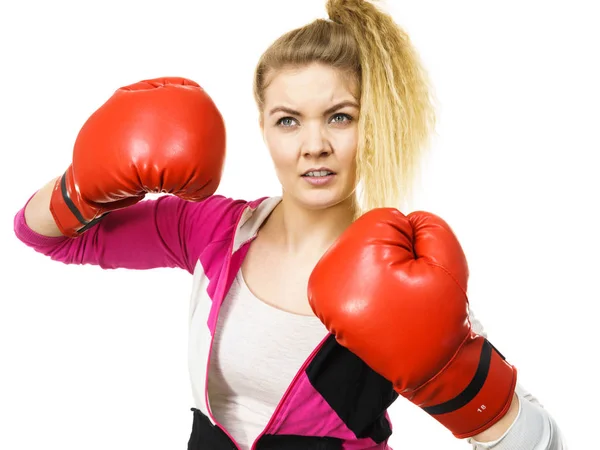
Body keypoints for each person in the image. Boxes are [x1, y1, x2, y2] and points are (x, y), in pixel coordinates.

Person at [13, 0, 567, 449]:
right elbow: (45, 236)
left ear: (368, 124)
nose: (315, 145)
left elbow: (538, 443)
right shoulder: (213, 230)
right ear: (262, 128)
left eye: (339, 117)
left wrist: (452, 372)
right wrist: (83, 182)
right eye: (288, 121)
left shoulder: (399, 272)